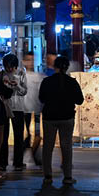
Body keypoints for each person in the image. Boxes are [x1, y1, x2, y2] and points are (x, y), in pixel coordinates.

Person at [39, 55, 84, 186]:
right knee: (66, 146)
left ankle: (48, 175)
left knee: (48, 146)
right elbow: (79, 100)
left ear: (55, 67)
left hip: (49, 118)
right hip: (67, 117)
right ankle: (68, 176)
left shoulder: (47, 81)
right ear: (67, 67)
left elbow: (41, 98)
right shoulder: (72, 82)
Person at [0, 54, 28, 172]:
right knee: (3, 137)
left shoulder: (21, 73)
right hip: (5, 107)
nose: (10, 69)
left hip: (18, 108)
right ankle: (3, 163)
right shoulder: (1, 74)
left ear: (16, 66)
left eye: (12, 67)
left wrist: (16, 86)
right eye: (7, 67)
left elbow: (24, 91)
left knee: (18, 136)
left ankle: (18, 162)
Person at [22, 52, 44, 166]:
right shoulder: (21, 76)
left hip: (36, 110)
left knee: (37, 135)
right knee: (27, 134)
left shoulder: (39, 76)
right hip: (24, 110)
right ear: (24, 62)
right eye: (29, 60)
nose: (31, 62)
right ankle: (32, 156)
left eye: (33, 60)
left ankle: (32, 154)